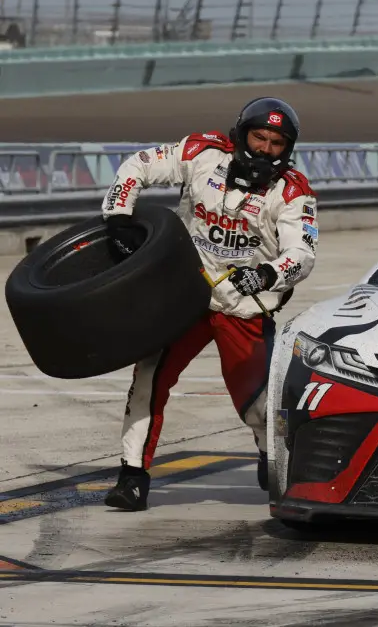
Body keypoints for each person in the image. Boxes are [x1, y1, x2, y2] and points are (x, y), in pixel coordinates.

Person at [99, 98, 319, 511]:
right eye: (259, 136)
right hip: (185, 295)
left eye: (276, 142)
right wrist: (118, 218)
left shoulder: (294, 191)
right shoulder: (201, 152)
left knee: (257, 401)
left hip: (244, 306)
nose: (265, 148)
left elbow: (302, 254)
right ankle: (131, 476)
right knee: (148, 380)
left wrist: (267, 274)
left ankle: (269, 455)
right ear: (241, 134)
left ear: (287, 149)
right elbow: (138, 165)